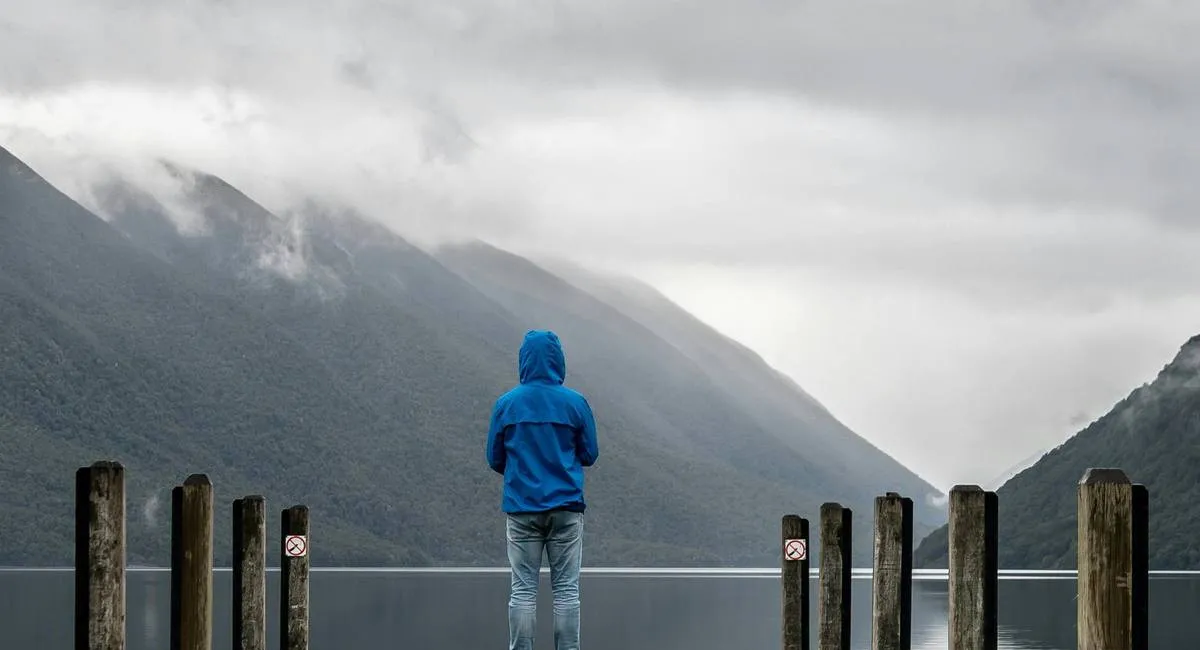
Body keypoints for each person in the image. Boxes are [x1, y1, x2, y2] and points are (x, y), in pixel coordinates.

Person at [487, 329, 600, 650]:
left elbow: (494, 458)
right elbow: (590, 454)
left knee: (523, 589)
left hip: (522, 508)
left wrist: (522, 473)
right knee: (566, 590)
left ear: (523, 360)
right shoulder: (575, 403)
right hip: (566, 508)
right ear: (558, 360)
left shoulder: (506, 404)